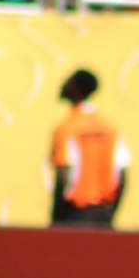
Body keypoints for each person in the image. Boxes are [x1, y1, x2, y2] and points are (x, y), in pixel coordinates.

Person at [50, 69, 130, 228]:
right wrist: (111, 213)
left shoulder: (66, 129)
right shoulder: (109, 129)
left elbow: (64, 175)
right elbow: (122, 177)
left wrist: (56, 216)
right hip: (103, 214)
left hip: (74, 214)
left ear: (76, 89)